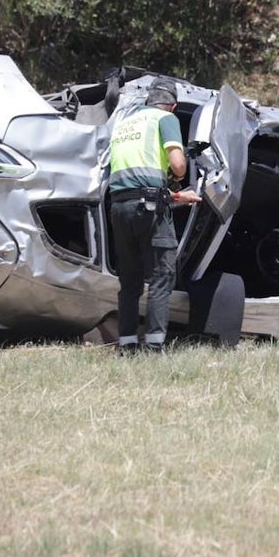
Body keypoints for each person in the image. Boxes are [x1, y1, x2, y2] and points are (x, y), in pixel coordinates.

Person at [107, 77, 200, 354]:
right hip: (149, 211)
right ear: (171, 106)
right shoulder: (164, 119)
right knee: (162, 274)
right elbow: (178, 164)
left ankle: (126, 345)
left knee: (130, 279)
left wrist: (175, 196)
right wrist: (180, 176)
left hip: (120, 208)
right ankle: (155, 346)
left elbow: (135, 179)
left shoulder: (124, 125)